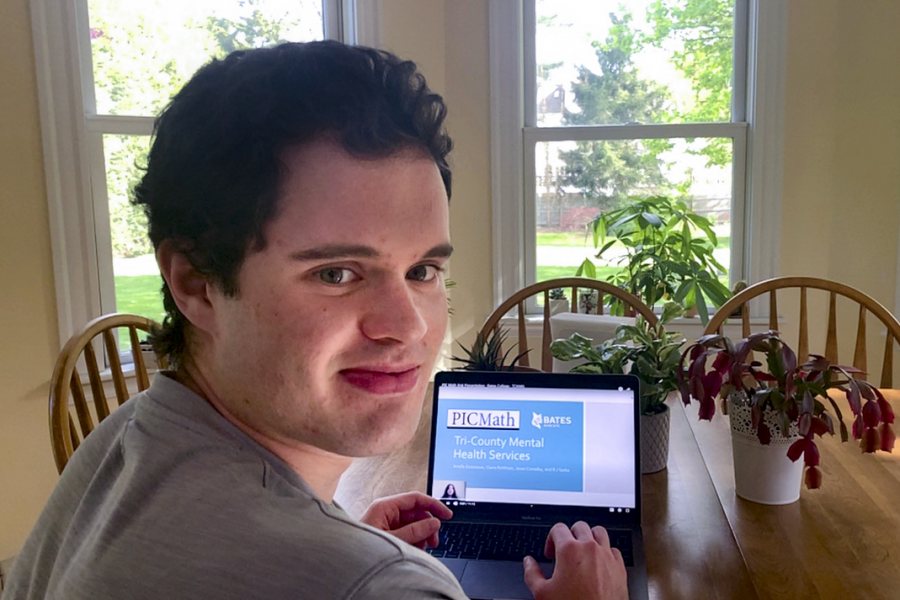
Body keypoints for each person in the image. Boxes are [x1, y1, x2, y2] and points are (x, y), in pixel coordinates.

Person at [5, 41, 627, 599]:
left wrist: (333, 534)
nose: (407, 327)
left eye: (422, 271)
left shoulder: (121, 441)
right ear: (196, 285)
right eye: (337, 274)